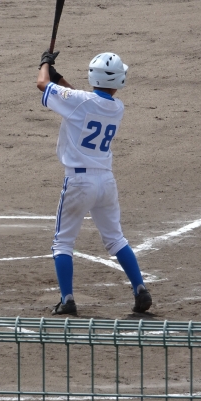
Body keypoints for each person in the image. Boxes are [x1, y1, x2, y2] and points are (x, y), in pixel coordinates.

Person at [36, 51, 153, 315]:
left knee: (63, 243)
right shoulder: (116, 107)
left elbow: (42, 84)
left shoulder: (80, 103)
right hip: (105, 182)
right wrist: (59, 78)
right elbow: (78, 99)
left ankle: (67, 299)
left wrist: (45, 64)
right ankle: (140, 289)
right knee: (116, 239)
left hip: (79, 182)